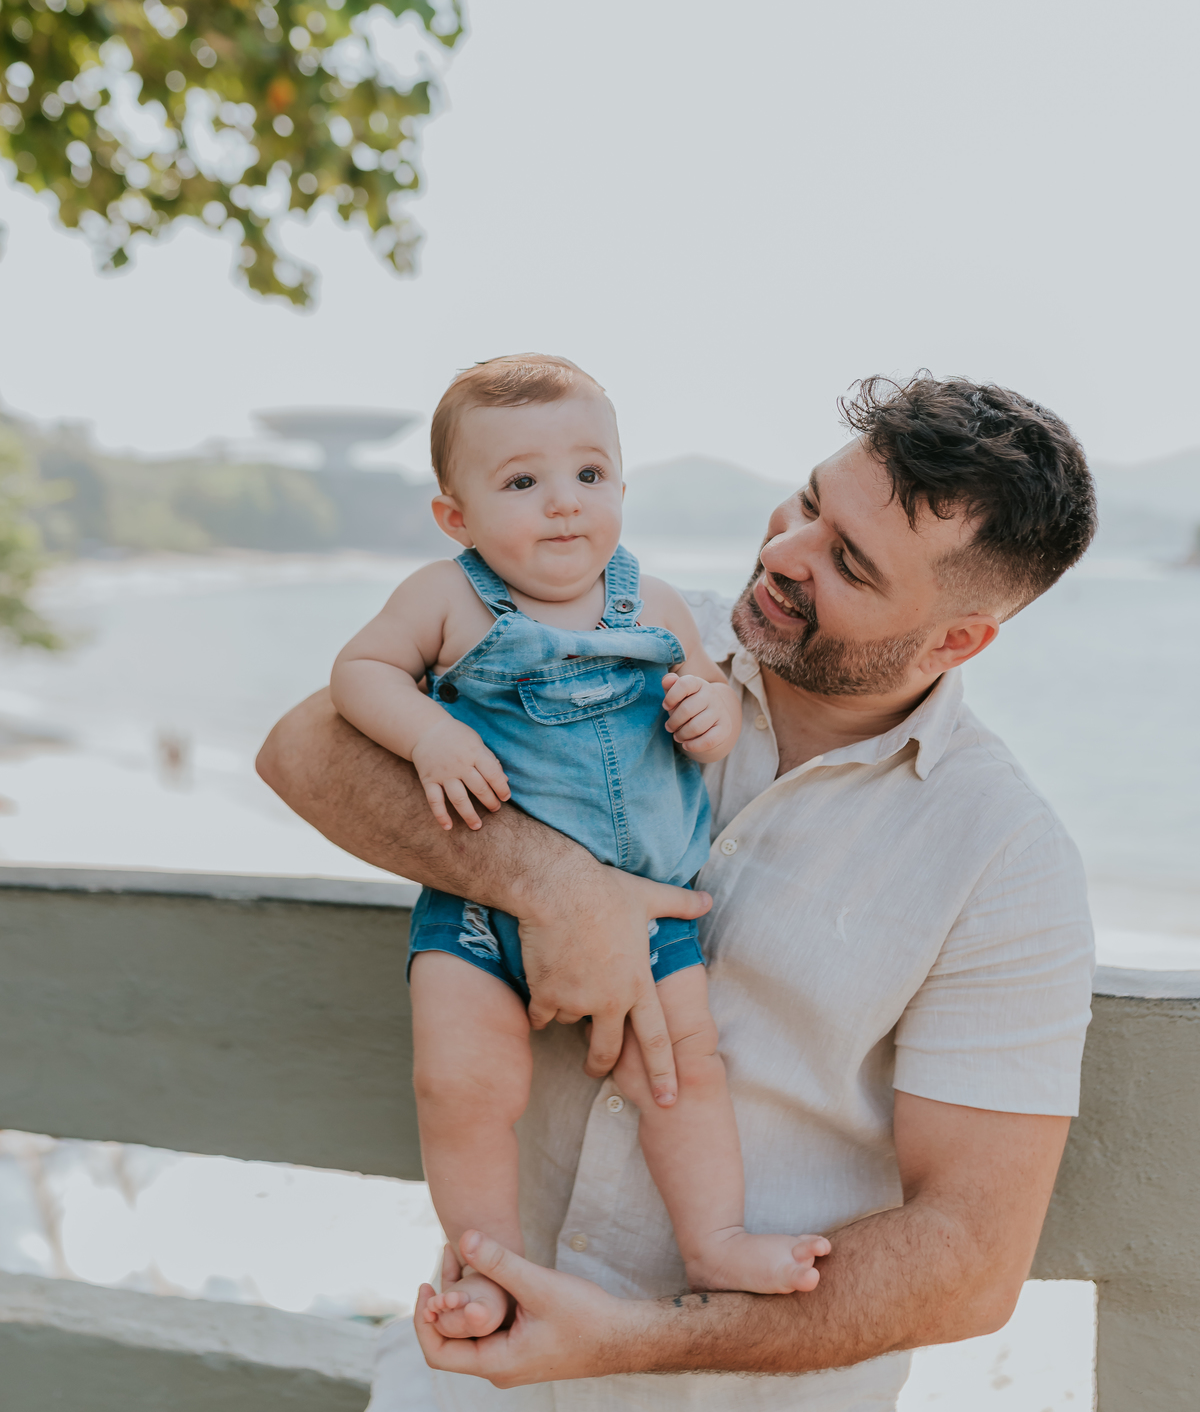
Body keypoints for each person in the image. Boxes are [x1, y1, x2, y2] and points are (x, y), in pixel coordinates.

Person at [257, 372, 1098, 1410]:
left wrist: (632, 1342)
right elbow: (303, 746)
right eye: (808, 501)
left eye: (847, 561)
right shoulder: (623, 625)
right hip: (465, 1386)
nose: (785, 553)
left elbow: (970, 1261)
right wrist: (556, 888)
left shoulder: (1006, 859)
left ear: (956, 639)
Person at [328, 355, 829, 1339]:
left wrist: (710, 714)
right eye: (522, 482)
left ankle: (715, 1238)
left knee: (681, 1072)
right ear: (457, 517)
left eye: (590, 475)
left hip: (646, 905)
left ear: (623, 488)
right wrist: (428, 735)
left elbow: (711, 703)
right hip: (478, 905)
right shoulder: (445, 598)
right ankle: (485, 1266)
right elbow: (360, 672)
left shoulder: (657, 604)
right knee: (461, 1084)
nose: (564, 503)